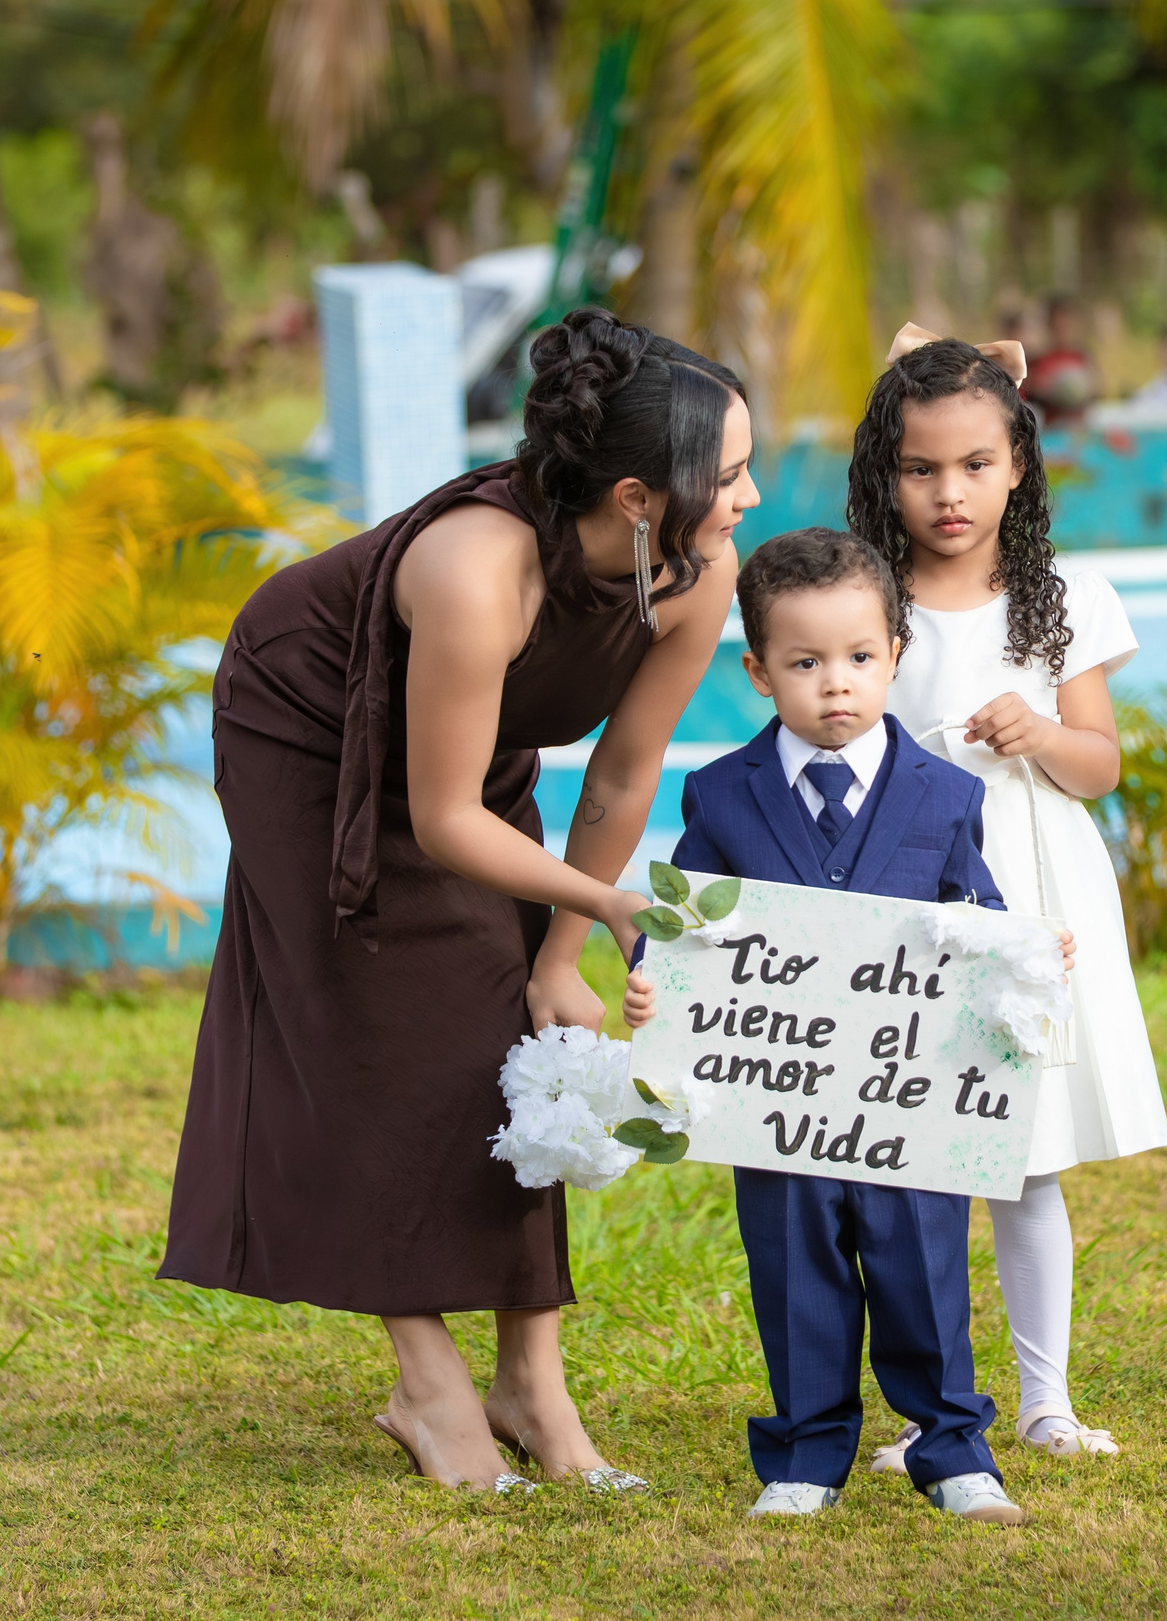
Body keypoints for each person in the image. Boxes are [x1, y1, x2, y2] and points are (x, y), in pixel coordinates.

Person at [159, 307, 759, 1494]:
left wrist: (561, 955)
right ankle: (426, 1384)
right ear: (636, 497)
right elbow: (440, 821)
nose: (747, 495)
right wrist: (608, 903)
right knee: (377, 1020)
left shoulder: (698, 571)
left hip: (461, 750)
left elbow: (624, 771)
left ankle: (529, 1382)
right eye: (728, 474)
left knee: (510, 1018)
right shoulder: (478, 570)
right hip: (305, 726)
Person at [621, 528, 1033, 1527]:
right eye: (804, 663)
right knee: (795, 1270)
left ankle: (952, 1447)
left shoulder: (947, 795)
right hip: (779, 1103)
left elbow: (973, 912)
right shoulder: (722, 794)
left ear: (896, 652)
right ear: (759, 671)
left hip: (906, 1100)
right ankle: (806, 1453)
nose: (835, 683)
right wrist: (650, 978)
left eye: (858, 657)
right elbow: (684, 924)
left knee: (923, 1270)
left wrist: (1018, 959)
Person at [845, 332, 1167, 1466]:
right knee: (919, 1163)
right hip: (908, 897)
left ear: (1018, 466)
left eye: (976, 465)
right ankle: (931, 1410)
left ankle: (1046, 1399)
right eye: (921, 468)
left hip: (1035, 890)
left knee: (1026, 1159)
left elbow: (1101, 764)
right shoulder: (869, 601)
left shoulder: (1062, 597)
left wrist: (1038, 733)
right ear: (885, 474)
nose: (950, 492)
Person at [1021, 293, 1099, 428]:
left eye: (1067, 325)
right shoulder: (1038, 361)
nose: (1063, 330)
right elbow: (1024, 395)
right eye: (1057, 325)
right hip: (1052, 431)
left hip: (1079, 430)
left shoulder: (1082, 357)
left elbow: (1097, 389)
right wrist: (1042, 392)